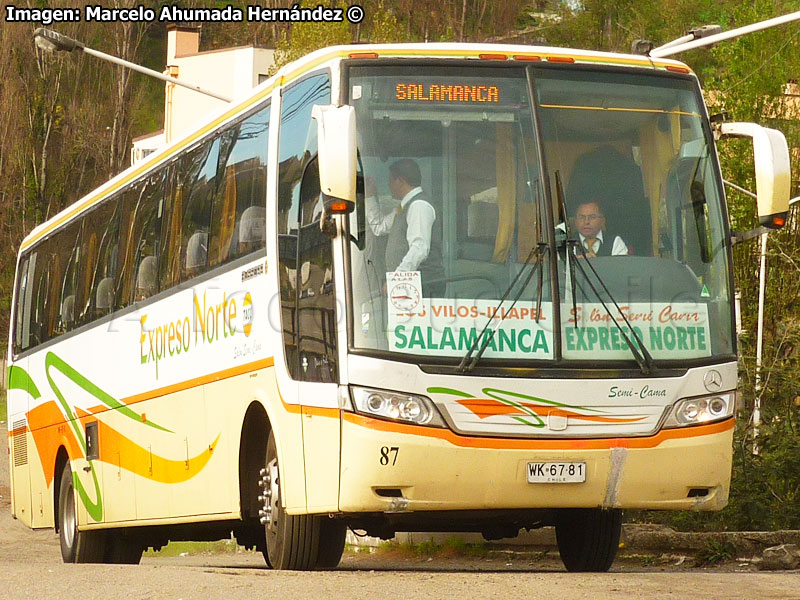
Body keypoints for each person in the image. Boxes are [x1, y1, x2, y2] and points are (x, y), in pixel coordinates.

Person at [364, 159, 445, 295]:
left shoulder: (419, 205)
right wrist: (370, 196)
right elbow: (379, 227)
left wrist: (397, 279)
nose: (389, 185)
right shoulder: (404, 207)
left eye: (390, 180)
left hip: (423, 286)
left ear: (400, 181)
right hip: (410, 285)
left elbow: (419, 248)